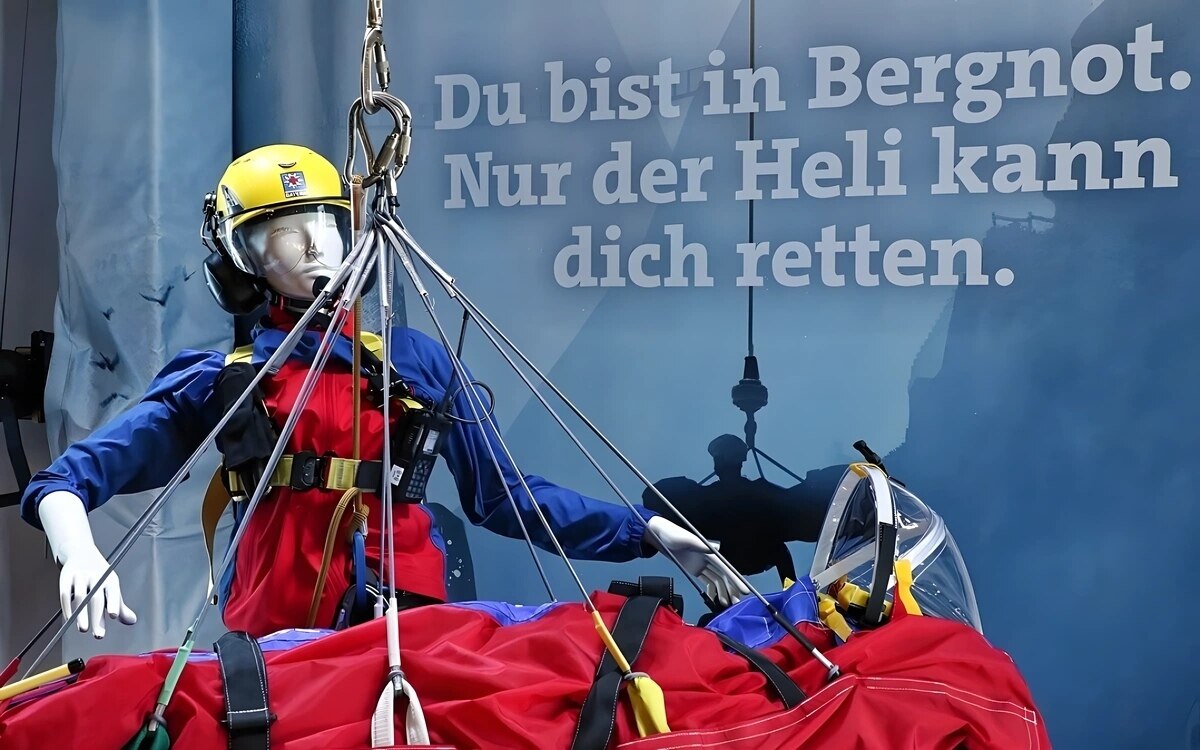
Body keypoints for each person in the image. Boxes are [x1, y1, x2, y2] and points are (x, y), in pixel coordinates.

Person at [20, 144, 746, 639]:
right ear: (242, 263)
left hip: (412, 626)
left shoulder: (417, 360)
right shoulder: (227, 377)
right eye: (282, 234)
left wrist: (647, 533)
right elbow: (67, 481)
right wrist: (78, 550)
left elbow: (507, 497)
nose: (311, 247)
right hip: (279, 640)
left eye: (323, 226)